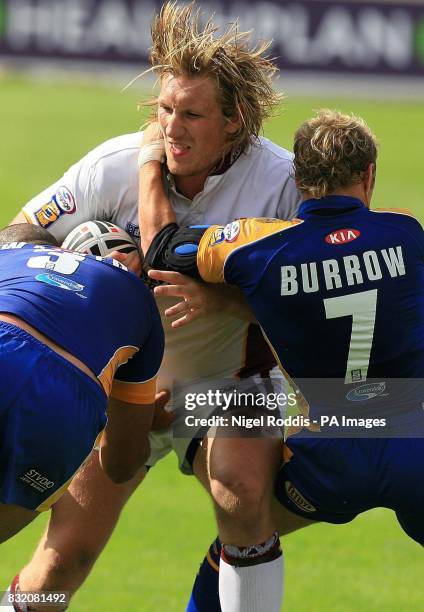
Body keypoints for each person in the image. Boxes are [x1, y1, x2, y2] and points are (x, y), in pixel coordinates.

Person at [6, 3, 302, 611]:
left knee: (241, 495)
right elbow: (17, 236)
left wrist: (223, 301)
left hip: (228, 383)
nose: (172, 128)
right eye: (165, 110)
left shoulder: (282, 183)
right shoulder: (117, 163)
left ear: (234, 120)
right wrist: (85, 267)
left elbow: (310, 296)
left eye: (192, 113)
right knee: (67, 554)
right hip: (120, 387)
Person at [143, 107, 424, 607]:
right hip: (416, 447)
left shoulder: (259, 245)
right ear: (369, 175)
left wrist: (149, 162)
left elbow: (162, 248)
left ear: (298, 178)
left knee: (243, 540)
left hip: (332, 463)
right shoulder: (407, 233)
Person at [0, 222, 164, 548]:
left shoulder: (8, 259)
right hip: (65, 406)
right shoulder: (143, 306)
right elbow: (121, 465)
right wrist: (147, 426)